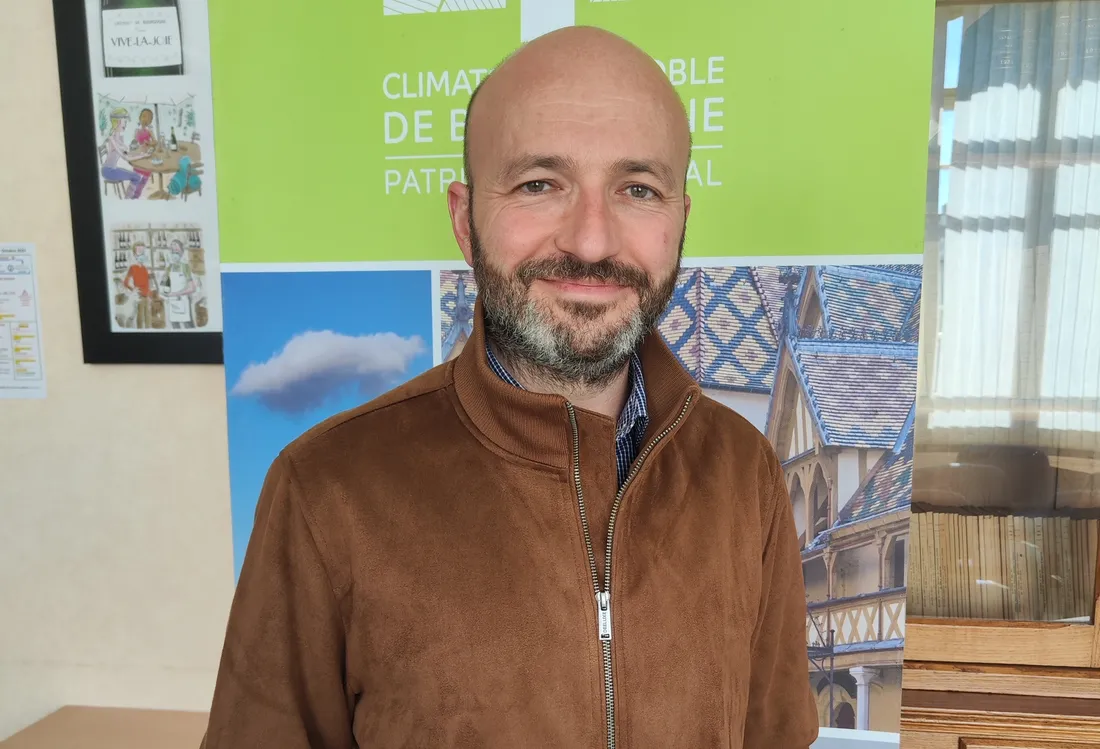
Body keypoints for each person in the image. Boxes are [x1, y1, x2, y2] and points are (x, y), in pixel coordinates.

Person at [202, 25, 818, 749]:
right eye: (539, 184)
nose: (591, 240)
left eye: (638, 188)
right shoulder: (325, 489)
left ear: (679, 221)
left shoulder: (743, 472)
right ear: (465, 221)